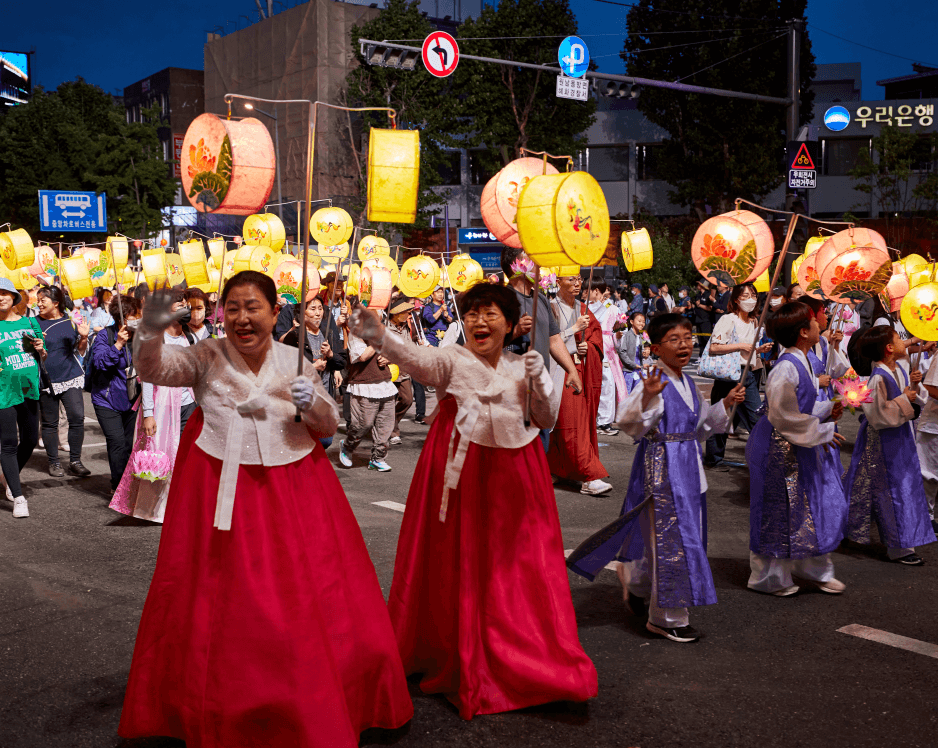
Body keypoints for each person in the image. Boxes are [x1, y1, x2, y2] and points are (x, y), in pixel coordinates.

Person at [118, 272, 413, 746]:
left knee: (305, 592)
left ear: (276, 313)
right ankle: (218, 698)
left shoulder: (295, 359)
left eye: (253, 307)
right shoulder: (205, 355)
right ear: (221, 313)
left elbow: (327, 424)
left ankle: (306, 698)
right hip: (219, 487)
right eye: (232, 307)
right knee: (217, 595)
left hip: (293, 486)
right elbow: (155, 371)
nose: (241, 317)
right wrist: (149, 330)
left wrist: (311, 404)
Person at [349, 282, 597, 718]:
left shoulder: (525, 365)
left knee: (513, 563)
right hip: (457, 473)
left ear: (510, 322)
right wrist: (380, 335)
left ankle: (519, 652)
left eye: (490, 314)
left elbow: (546, 419)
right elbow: (416, 359)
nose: (480, 322)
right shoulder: (452, 359)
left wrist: (540, 379)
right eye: (472, 314)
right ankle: (454, 647)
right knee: (456, 560)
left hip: (513, 474)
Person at [567, 313, 745, 643]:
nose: (684, 345)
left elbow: (701, 429)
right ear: (656, 348)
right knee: (673, 543)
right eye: (674, 340)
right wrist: (648, 395)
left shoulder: (689, 383)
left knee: (661, 540)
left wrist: (725, 404)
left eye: (688, 337)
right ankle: (666, 618)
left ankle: (634, 579)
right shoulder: (652, 381)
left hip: (690, 472)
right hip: (663, 473)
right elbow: (629, 423)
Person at [746, 301, 847, 596]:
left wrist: (828, 408)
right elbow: (783, 416)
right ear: (804, 331)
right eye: (816, 322)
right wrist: (823, 430)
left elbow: (799, 406)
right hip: (776, 447)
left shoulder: (801, 360)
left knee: (810, 504)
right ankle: (769, 578)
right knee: (776, 511)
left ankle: (813, 567)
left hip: (795, 444)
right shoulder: (785, 368)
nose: (821, 324)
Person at [842, 326, 937, 565]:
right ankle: (899, 547)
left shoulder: (898, 370)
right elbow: (878, 415)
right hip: (883, 443)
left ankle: (843, 528)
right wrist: (906, 398)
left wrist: (914, 387)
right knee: (893, 491)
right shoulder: (878, 378)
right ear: (888, 348)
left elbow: (911, 399)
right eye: (899, 339)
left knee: (878, 488)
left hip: (899, 437)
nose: (904, 343)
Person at [109, 291, 196, 523]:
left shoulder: (189, 335)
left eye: (186, 305)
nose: (185, 308)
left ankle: (181, 503)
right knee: (161, 454)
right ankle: (155, 508)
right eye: (180, 305)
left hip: (188, 403)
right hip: (162, 404)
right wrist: (148, 414)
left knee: (185, 455)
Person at [500, 248, 583, 448]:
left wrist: (571, 370)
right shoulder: (501, 299)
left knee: (539, 450)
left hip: (540, 387)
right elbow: (486, 343)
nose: (539, 265)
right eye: (532, 259)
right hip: (512, 389)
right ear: (516, 266)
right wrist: (516, 331)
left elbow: (554, 339)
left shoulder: (542, 299)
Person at [547, 272, 611, 496]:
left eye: (578, 279)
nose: (576, 284)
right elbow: (548, 340)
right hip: (559, 370)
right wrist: (573, 330)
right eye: (570, 279)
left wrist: (588, 347)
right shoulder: (550, 307)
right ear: (558, 282)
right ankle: (588, 476)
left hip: (581, 369)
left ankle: (556, 468)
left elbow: (595, 336)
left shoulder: (584, 309)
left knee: (578, 421)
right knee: (569, 422)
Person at [704, 283, 771, 468]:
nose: (750, 299)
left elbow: (747, 351)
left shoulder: (754, 322)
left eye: (753, 295)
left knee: (747, 416)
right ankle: (715, 459)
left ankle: (759, 457)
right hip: (729, 374)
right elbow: (714, 347)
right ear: (735, 299)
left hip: (747, 373)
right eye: (745, 295)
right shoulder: (728, 319)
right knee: (726, 416)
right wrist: (741, 346)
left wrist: (758, 350)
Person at [0, 278, 45, 518]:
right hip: (3, 391)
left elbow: (42, 353)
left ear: (14, 297)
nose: (0, 297)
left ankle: (8, 476)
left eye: (5, 293)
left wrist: (41, 348)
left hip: (29, 389)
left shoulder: (29, 322)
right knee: (7, 443)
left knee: (29, 440)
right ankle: (18, 496)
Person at [36, 285, 91, 478]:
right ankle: (54, 462)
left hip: (70, 376)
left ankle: (75, 461)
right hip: (46, 379)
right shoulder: (33, 323)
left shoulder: (71, 321)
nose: (39, 303)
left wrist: (84, 336)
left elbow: (80, 350)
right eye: (38, 299)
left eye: (43, 300)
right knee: (50, 423)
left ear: (56, 302)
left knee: (77, 417)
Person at [90, 295, 142, 493]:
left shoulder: (141, 336)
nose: (137, 318)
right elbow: (100, 363)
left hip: (132, 399)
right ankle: (119, 486)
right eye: (133, 315)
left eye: (138, 315)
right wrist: (118, 344)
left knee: (128, 444)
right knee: (117, 441)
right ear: (122, 317)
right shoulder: (106, 335)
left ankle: (126, 481)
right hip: (106, 398)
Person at [338, 314, 397, 472]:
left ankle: (378, 458)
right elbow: (362, 356)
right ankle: (347, 447)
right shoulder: (355, 333)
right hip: (364, 385)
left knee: (386, 425)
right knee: (363, 424)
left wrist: (388, 358)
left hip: (385, 383)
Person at [588, 282, 626, 437]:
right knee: (601, 382)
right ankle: (600, 420)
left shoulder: (612, 307)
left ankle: (604, 420)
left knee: (609, 383)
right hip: (595, 343)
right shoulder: (587, 306)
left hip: (608, 346)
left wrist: (619, 332)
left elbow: (621, 326)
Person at [386, 298, 426, 446]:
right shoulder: (386, 328)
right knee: (389, 403)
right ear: (395, 313)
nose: (408, 315)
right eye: (405, 312)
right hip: (390, 371)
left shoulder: (406, 328)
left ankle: (391, 422)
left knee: (407, 400)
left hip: (404, 372)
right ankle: (393, 431)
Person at [618, 311, 648, 393]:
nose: (642, 323)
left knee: (639, 393)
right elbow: (622, 352)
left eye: (643, 322)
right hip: (629, 370)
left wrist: (645, 355)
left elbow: (644, 351)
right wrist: (633, 364)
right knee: (629, 393)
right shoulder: (627, 335)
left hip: (639, 369)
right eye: (639, 321)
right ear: (631, 322)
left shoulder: (642, 335)